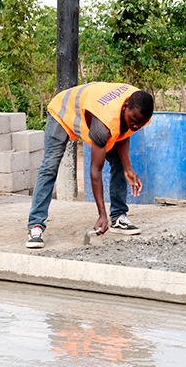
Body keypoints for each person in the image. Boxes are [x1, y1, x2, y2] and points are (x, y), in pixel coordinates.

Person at [27, 83, 154, 249]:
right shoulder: (103, 124)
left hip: (96, 108)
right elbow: (95, 171)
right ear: (125, 107)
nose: (136, 126)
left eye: (141, 124)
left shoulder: (138, 109)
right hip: (63, 111)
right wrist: (101, 214)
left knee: (119, 163)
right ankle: (35, 226)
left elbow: (124, 132)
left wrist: (128, 168)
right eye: (134, 121)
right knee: (50, 166)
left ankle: (118, 217)